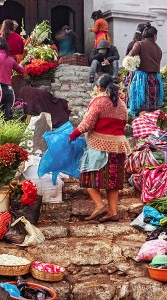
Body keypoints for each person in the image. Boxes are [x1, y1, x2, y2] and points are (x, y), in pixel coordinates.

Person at [69, 74, 131, 222]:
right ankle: (113, 212)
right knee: (113, 181)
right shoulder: (121, 103)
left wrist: (73, 135)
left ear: (99, 87)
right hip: (118, 147)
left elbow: (88, 124)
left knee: (87, 175)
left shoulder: (99, 101)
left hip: (100, 145)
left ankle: (98, 206)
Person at [128, 22, 163, 116]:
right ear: (155, 36)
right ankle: (151, 127)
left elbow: (129, 57)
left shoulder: (139, 44)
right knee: (153, 107)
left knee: (142, 106)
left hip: (142, 79)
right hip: (155, 79)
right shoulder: (158, 48)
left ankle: (142, 127)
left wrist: (134, 65)